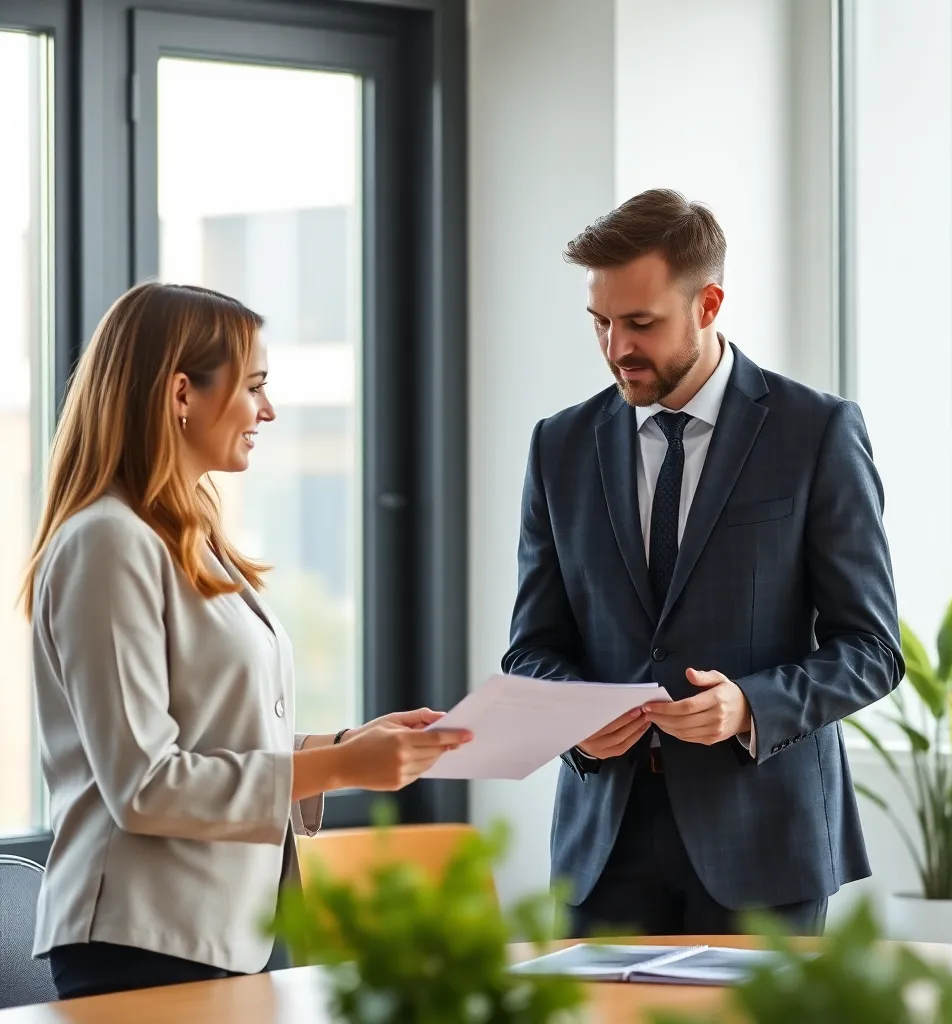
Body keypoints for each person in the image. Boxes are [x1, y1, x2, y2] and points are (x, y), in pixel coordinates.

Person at [22, 282, 472, 999]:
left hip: (224, 932)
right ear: (180, 393)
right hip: (143, 941)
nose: (268, 410)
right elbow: (145, 784)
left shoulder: (184, 537)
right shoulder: (106, 543)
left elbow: (215, 737)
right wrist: (344, 768)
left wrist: (342, 746)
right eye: (254, 386)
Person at [502, 189, 903, 938]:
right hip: (603, 846)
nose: (617, 346)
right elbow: (532, 646)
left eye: (641, 323)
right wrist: (577, 721)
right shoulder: (558, 446)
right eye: (602, 323)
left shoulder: (814, 432)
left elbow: (873, 650)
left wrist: (750, 706)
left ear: (708, 302)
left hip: (764, 845)